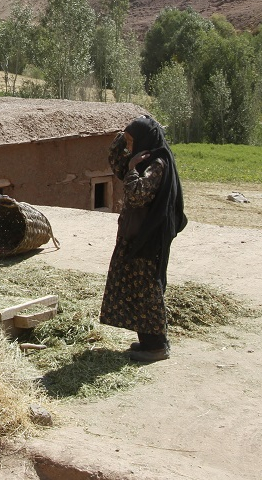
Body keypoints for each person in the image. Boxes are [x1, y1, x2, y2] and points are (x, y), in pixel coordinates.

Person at [99, 115, 187, 362]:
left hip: (148, 238)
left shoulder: (157, 163)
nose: (128, 144)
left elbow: (138, 195)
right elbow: (118, 166)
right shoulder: (143, 159)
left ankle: (157, 346)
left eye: (131, 140)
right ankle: (147, 341)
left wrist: (131, 170)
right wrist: (122, 140)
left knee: (147, 290)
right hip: (136, 234)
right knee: (136, 288)